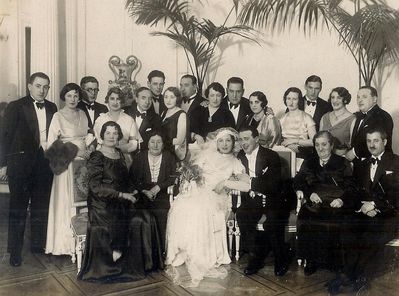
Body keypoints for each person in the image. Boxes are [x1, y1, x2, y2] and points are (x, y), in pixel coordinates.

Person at [78, 121, 163, 282]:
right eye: (108, 133)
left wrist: (136, 190)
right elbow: (96, 187)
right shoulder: (97, 156)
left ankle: (146, 264)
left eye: (115, 133)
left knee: (145, 217)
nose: (112, 136)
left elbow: (126, 180)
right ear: (102, 136)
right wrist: (122, 195)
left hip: (122, 199)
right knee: (121, 218)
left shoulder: (120, 154)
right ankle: (116, 260)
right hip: (102, 203)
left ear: (119, 136)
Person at [166, 127, 250, 287]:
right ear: (215, 143)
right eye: (221, 141)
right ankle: (185, 252)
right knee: (182, 206)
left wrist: (225, 182)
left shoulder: (235, 162)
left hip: (218, 196)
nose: (224, 144)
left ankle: (202, 255)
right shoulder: (206, 156)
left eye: (228, 141)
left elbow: (246, 185)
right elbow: (192, 174)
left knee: (202, 210)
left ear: (233, 143)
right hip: (199, 191)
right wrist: (190, 183)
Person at [327, 127, 399, 295]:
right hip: (364, 211)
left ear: (385, 142)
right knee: (347, 229)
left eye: (376, 140)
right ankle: (351, 274)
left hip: (388, 214)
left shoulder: (396, 162)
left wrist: (374, 205)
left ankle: (357, 276)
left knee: (370, 236)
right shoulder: (361, 164)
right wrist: (358, 205)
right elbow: (354, 191)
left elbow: (397, 194)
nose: (372, 145)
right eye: (368, 141)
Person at [0, 72, 57, 266]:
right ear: (29, 86)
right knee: (18, 208)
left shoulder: (52, 107)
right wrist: (3, 164)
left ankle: (38, 245)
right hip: (21, 166)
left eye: (46, 87)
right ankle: (15, 252)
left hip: (44, 165)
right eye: (39, 86)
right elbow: (4, 136)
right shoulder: (16, 106)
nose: (42, 90)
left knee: (41, 207)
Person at [293, 131, 355, 276]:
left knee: (335, 223)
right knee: (306, 219)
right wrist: (308, 193)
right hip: (315, 203)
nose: (321, 148)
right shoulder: (309, 161)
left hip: (336, 204)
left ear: (331, 145)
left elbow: (352, 186)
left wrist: (342, 200)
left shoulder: (342, 162)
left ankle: (333, 261)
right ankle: (311, 260)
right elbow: (298, 180)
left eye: (324, 144)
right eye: (317, 145)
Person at [236, 126, 289, 277]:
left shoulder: (271, 155)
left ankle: (281, 259)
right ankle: (255, 258)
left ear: (256, 139)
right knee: (242, 215)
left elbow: (273, 185)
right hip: (252, 199)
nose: (243, 143)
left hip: (274, 198)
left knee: (272, 221)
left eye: (246, 139)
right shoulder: (240, 155)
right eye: (240, 140)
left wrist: (251, 181)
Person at [45, 83, 90, 256]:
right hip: (66, 165)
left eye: (76, 96)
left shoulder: (83, 114)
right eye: (70, 95)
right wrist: (75, 150)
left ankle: (83, 244)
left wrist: (88, 148)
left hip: (83, 165)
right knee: (67, 201)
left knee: (83, 202)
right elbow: (51, 145)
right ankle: (66, 245)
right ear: (64, 96)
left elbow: (86, 137)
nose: (73, 99)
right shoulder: (57, 116)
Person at [129, 131, 177, 254]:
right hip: (143, 194)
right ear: (148, 144)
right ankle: (143, 253)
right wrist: (144, 190)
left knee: (161, 212)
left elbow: (173, 177)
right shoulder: (140, 157)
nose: (155, 145)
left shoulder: (169, 157)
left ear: (163, 144)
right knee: (141, 214)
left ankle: (159, 252)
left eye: (159, 142)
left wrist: (158, 187)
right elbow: (132, 178)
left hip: (162, 194)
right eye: (152, 142)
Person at [93, 87, 139, 167]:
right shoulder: (100, 119)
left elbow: (134, 144)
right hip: (102, 158)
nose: (115, 102)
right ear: (108, 100)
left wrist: (118, 150)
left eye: (118, 99)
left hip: (123, 159)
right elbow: (96, 141)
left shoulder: (129, 120)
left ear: (122, 101)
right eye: (112, 99)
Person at [346, 86, 393, 162]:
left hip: (381, 164)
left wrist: (354, 152)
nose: (360, 100)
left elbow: (378, 142)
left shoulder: (383, 116)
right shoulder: (359, 117)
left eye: (364, 97)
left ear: (374, 99)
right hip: (361, 165)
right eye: (358, 97)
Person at [279, 87, 316, 159]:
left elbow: (314, 142)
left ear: (299, 101)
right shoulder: (282, 119)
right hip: (285, 154)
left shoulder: (307, 117)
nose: (291, 102)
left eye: (294, 99)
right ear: (285, 100)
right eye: (288, 98)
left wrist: (294, 141)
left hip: (303, 154)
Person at [320, 87, 355, 156]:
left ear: (345, 100)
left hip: (342, 160)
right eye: (332, 97)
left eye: (339, 98)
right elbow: (318, 140)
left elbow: (353, 146)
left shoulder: (352, 119)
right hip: (323, 158)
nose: (334, 101)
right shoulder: (325, 117)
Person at [124, 87, 161, 152]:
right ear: (136, 99)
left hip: (144, 155)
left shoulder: (156, 118)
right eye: (143, 98)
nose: (147, 102)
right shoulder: (125, 112)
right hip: (125, 154)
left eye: (150, 99)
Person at [160, 87, 188, 160]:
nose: (168, 100)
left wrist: (161, 142)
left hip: (173, 152)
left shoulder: (181, 114)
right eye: (166, 97)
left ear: (177, 99)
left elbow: (180, 140)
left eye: (172, 97)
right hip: (161, 149)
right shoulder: (164, 112)